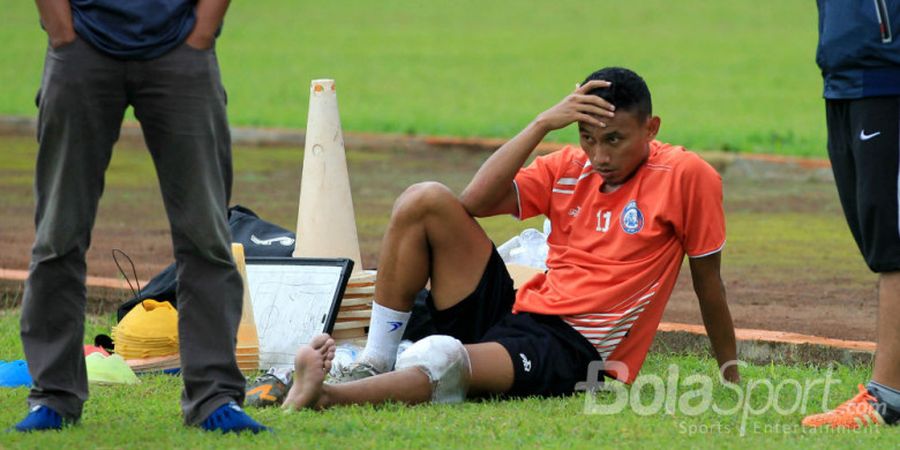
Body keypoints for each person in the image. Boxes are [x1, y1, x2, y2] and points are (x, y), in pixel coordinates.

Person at [282, 67, 740, 410]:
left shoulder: (686, 176)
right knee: (425, 199)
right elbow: (475, 200)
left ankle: (328, 396)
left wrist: (729, 373)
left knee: (438, 356)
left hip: (575, 348)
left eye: (615, 140)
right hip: (520, 309)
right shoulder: (568, 164)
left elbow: (708, 283)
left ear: (652, 128)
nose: (599, 155)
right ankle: (375, 360)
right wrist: (542, 123)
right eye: (587, 138)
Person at [13, 0, 267, 433]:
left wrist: (201, 33)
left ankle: (214, 399)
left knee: (206, 237)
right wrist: (62, 33)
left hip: (180, 49)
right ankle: (53, 397)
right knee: (59, 234)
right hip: (82, 48)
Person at [802, 0, 900, 429]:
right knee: (877, 238)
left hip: (889, 74)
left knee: (894, 244)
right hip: (842, 74)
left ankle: (887, 397)